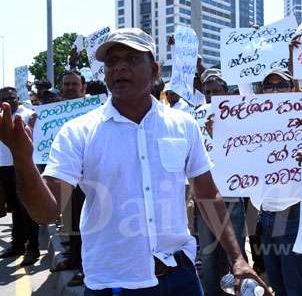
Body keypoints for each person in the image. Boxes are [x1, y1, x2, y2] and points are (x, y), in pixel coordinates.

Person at [0, 28, 266, 295]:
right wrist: (22, 158)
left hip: (180, 278)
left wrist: (238, 259)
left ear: (155, 70)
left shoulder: (183, 125)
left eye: (131, 59)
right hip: (113, 283)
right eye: (112, 62)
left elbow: (207, 193)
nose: (119, 68)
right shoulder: (77, 132)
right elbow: (46, 213)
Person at [194, 69, 248, 296]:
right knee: (208, 257)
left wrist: (221, 135)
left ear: (227, 91)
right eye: (208, 92)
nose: (213, 96)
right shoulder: (197, 115)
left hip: (232, 196)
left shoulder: (241, 114)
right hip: (205, 197)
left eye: (217, 91)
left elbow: (247, 154)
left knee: (234, 255)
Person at [49, 70, 89, 286]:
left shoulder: (95, 108)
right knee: (71, 221)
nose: (71, 88)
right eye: (67, 84)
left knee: (86, 222)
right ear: (62, 87)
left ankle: (85, 266)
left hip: (90, 176)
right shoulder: (52, 112)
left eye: (75, 84)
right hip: (67, 173)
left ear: (83, 87)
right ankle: (74, 258)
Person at [0, 87, 39, 266]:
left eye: (12, 97)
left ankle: (33, 248)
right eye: (4, 98)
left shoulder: (30, 114)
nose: (9, 100)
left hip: (22, 167)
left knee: (28, 208)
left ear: (18, 98)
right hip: (4, 167)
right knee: (14, 208)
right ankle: (17, 245)